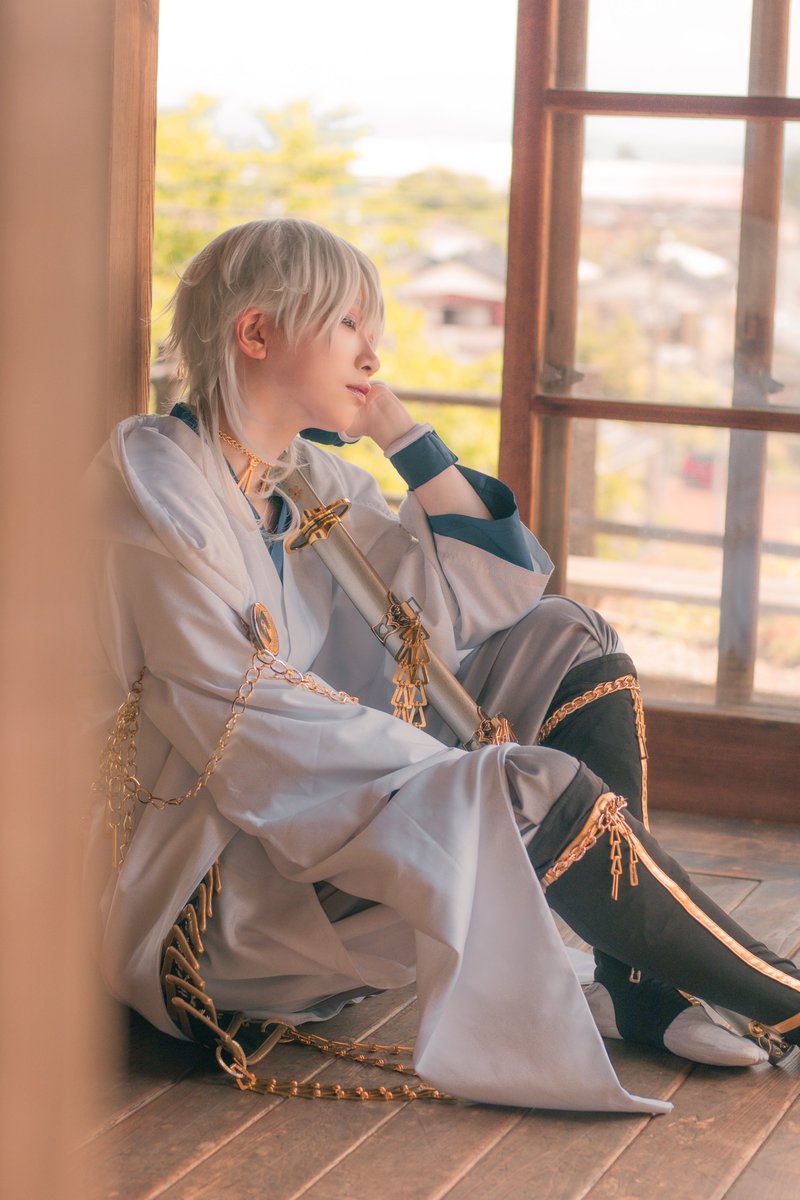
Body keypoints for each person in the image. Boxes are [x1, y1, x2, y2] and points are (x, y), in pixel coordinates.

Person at [85, 218, 800, 1114]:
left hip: (313, 803)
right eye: (348, 324)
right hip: (217, 883)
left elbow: (453, 610)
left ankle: (639, 984)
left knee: (570, 636)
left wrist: (400, 433)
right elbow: (241, 716)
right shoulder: (154, 480)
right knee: (524, 786)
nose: (372, 354)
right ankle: (784, 997)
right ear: (256, 332)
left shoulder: (307, 478)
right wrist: (461, 780)